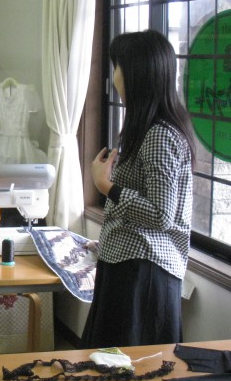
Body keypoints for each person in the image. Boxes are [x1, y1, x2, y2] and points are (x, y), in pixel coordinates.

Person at [81, 30, 195, 348]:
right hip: (130, 265)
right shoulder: (144, 128)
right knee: (111, 362)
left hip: (144, 273)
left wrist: (106, 186)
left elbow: (161, 215)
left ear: (136, 74)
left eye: (117, 67)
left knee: (129, 367)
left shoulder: (159, 134)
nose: (113, 77)